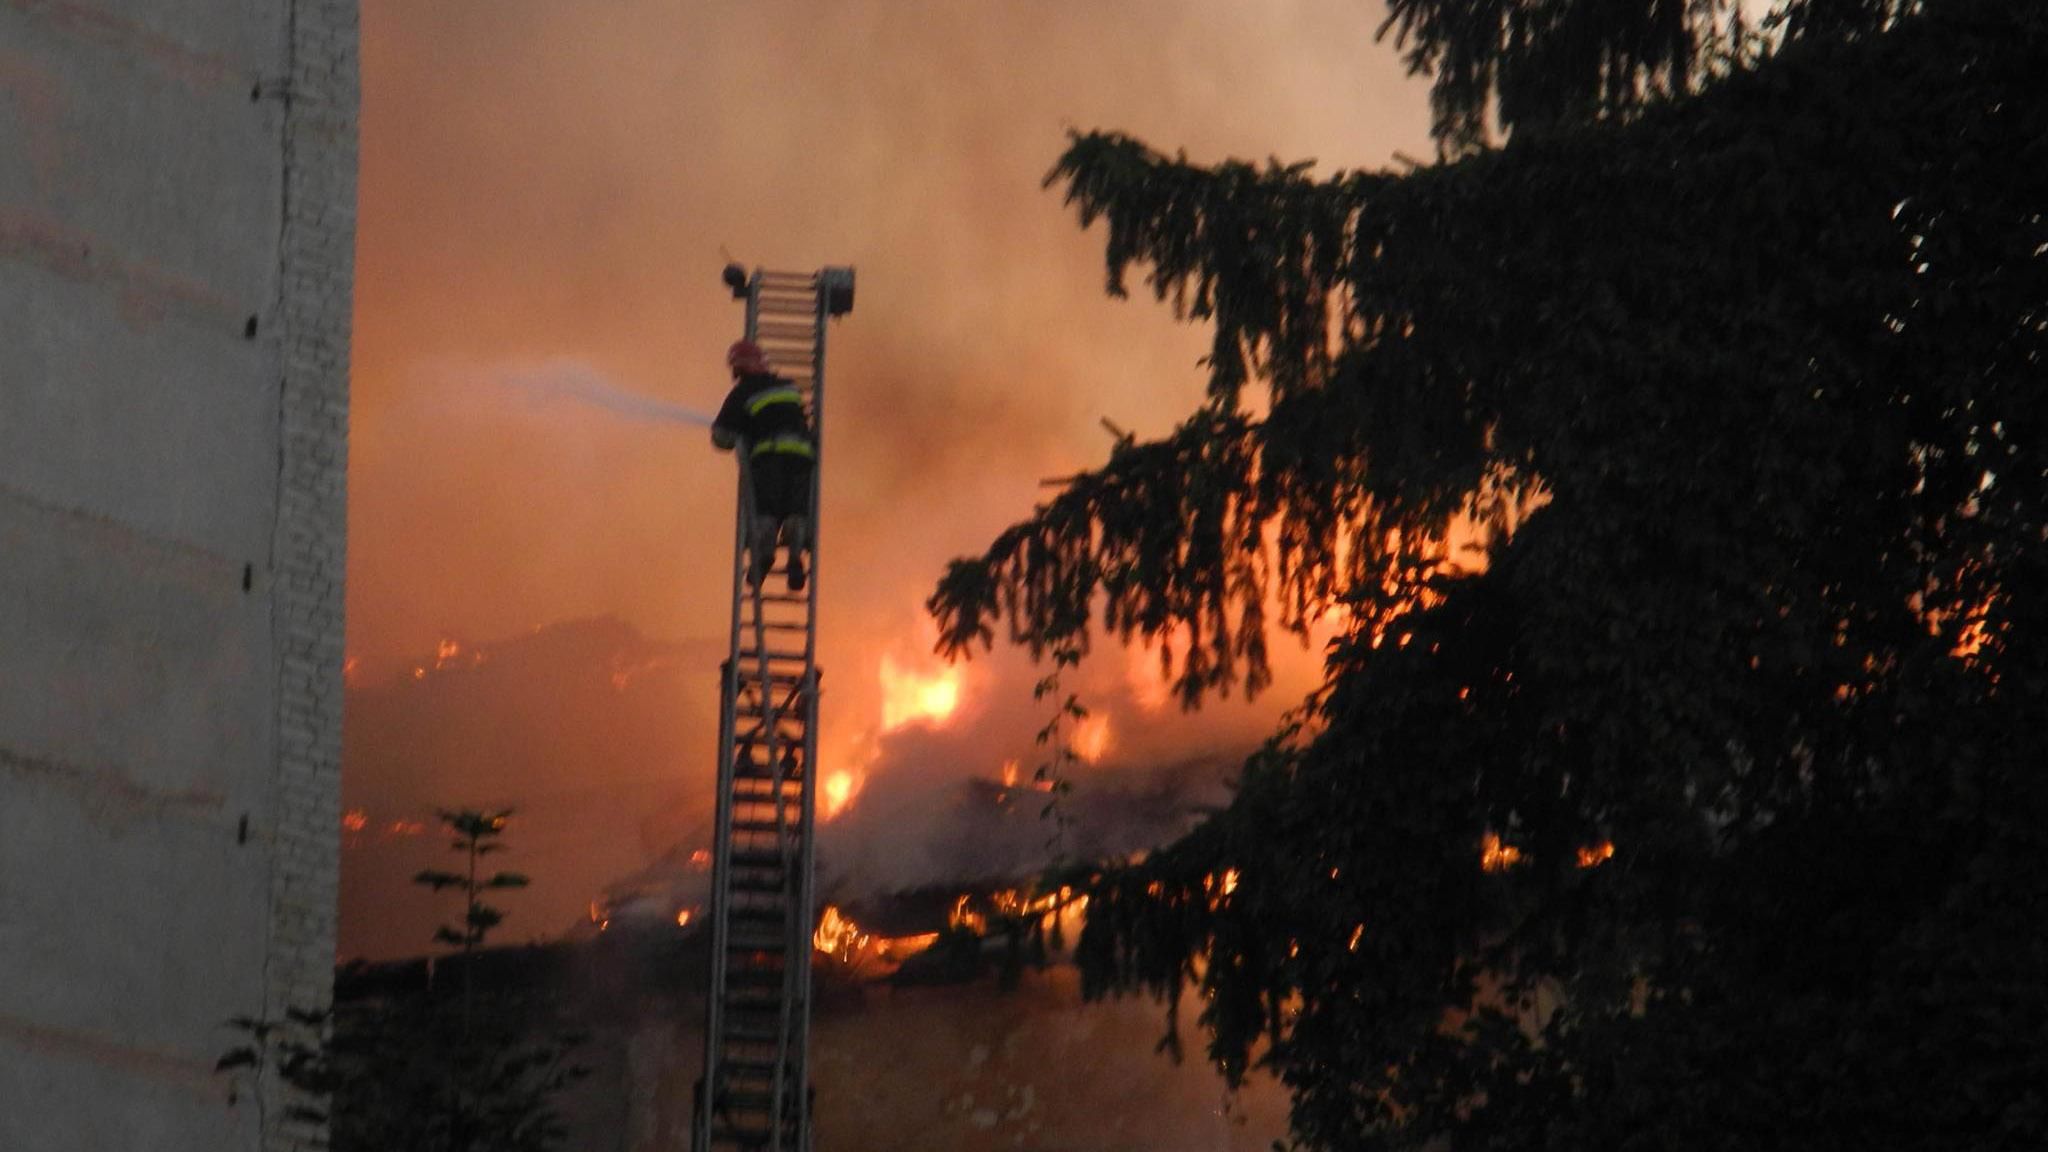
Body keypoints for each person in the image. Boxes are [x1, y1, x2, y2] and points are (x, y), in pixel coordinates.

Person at [712, 339, 814, 591]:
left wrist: (739, 433)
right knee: (795, 511)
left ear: (739, 369)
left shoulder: (742, 393)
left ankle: (763, 557)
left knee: (765, 511)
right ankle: (795, 559)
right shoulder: (788, 387)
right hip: (802, 457)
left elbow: (721, 437)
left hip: (768, 459)